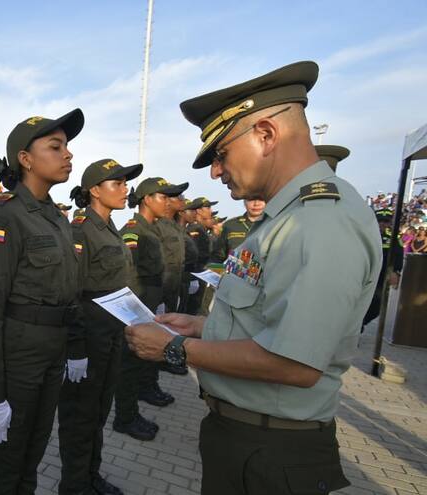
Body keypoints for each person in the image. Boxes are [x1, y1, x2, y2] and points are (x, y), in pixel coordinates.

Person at [126, 60, 381, 495]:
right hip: (251, 440)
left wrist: (175, 348)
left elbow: (294, 363)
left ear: (266, 134)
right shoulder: (289, 217)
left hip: (272, 453)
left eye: (221, 154)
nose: (215, 172)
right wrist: (205, 327)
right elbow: (272, 320)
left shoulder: (319, 222)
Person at [0, 109, 84, 494]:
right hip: (18, 358)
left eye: (67, 147)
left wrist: (74, 348)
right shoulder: (6, 218)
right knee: (6, 466)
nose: (67, 154)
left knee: (32, 457)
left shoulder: (56, 219)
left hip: (52, 353)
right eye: (55, 147)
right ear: (25, 159)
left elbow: (69, 291)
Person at [59, 158, 141, 495]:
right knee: (80, 418)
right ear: (95, 190)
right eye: (117, 183)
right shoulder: (80, 230)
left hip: (110, 337)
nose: (125, 189)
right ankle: (74, 485)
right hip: (88, 340)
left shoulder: (110, 228)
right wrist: (75, 348)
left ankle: (91, 476)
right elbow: (70, 294)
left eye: (125, 183)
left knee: (98, 414)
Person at [114, 177, 185, 441]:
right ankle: (125, 416)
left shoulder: (155, 228)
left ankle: (144, 392)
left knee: (145, 359)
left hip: (153, 305)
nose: (167, 202)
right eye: (162, 197)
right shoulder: (134, 230)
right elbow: (128, 274)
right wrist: (136, 314)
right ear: (146, 199)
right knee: (130, 364)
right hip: (138, 310)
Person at [155, 184, 190, 314]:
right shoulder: (158, 225)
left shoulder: (175, 226)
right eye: (179, 196)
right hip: (162, 287)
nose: (183, 200)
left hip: (175, 284)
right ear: (167, 202)